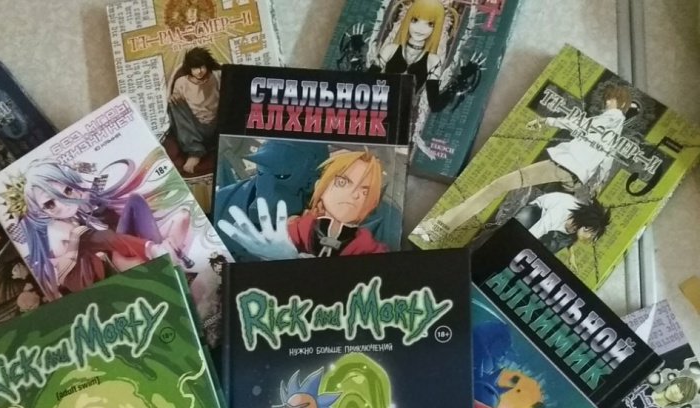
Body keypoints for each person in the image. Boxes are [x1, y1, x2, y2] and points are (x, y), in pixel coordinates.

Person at [424, 83, 633, 238]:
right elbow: (605, 163)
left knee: (498, 185)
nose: (607, 103)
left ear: (620, 103)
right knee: (534, 211)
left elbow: (577, 124)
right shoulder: (617, 132)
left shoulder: (609, 117)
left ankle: (441, 226)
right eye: (607, 99)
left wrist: (546, 121)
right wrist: (597, 183)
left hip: (562, 166)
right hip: (575, 178)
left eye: (611, 100)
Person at [8, 156, 193, 299]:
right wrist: (150, 248)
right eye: (50, 204)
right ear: (39, 211)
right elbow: (102, 239)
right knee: (107, 241)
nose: (64, 203)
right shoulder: (55, 229)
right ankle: (164, 254)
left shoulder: (78, 215)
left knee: (138, 203)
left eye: (68, 190)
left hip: (114, 261)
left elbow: (109, 229)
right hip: (104, 280)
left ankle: (168, 255)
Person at [218, 151, 389, 259]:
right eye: (343, 183)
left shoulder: (371, 247)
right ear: (320, 186)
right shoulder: (299, 228)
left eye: (365, 191)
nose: (355, 195)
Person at [513, 192, 611, 270]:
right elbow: (536, 231)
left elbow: (571, 241)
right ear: (586, 227)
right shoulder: (560, 212)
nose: (590, 239)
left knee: (551, 248)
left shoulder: (577, 226)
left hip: (551, 229)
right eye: (592, 235)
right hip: (538, 212)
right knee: (522, 222)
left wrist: (571, 255)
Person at [168, 47, 221, 175]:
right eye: (195, 68)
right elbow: (177, 112)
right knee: (173, 104)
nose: (199, 71)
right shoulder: (181, 82)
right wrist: (174, 97)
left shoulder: (218, 75)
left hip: (217, 125)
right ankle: (195, 152)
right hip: (193, 129)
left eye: (202, 66)